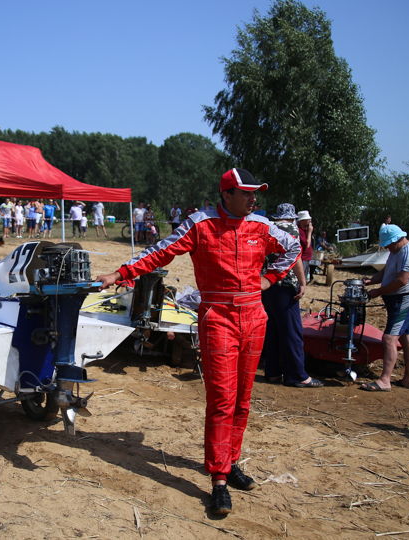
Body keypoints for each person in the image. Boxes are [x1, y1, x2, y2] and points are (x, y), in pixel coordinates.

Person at [96, 168, 301, 515]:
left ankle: (231, 461)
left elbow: (294, 246)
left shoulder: (262, 225)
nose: (253, 199)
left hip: (254, 316)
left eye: (255, 193)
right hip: (218, 318)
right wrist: (120, 273)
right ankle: (219, 479)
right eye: (246, 193)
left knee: (243, 399)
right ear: (227, 194)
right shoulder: (200, 224)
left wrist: (270, 279)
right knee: (222, 399)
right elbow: (160, 251)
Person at [261, 204, 322, 388]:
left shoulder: (267, 227)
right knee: (291, 331)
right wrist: (302, 282)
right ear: (293, 217)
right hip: (285, 284)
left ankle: (272, 371)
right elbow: (295, 257)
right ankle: (296, 374)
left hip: (266, 284)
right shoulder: (291, 229)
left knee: (271, 330)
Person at [361, 224, 409, 391]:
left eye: (388, 244)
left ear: (397, 240)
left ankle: (385, 380)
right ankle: (408, 380)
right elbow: (386, 271)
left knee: (389, 338)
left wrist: (378, 292)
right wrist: (371, 281)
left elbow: (402, 280)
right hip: (398, 301)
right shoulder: (396, 251)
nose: (387, 247)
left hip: (404, 300)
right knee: (407, 338)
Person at [296, 210, 313, 281]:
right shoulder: (300, 231)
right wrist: (310, 232)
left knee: (306, 277)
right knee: (302, 278)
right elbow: (307, 245)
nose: (310, 221)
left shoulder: (305, 230)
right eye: (307, 220)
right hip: (303, 258)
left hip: (307, 258)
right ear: (302, 221)